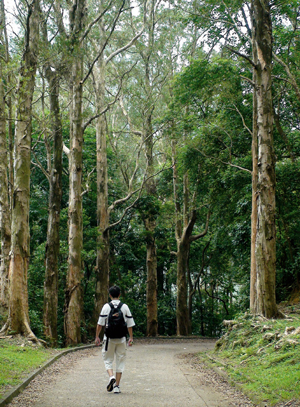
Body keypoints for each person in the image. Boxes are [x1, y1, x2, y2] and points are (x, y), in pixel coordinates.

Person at [95, 285, 135, 394]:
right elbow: (130, 324)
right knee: (120, 361)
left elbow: (100, 324)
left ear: (110, 295)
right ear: (120, 295)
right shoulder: (125, 307)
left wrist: (97, 336)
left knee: (107, 360)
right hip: (121, 339)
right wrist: (130, 337)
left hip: (109, 339)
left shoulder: (106, 307)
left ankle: (111, 376)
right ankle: (117, 386)